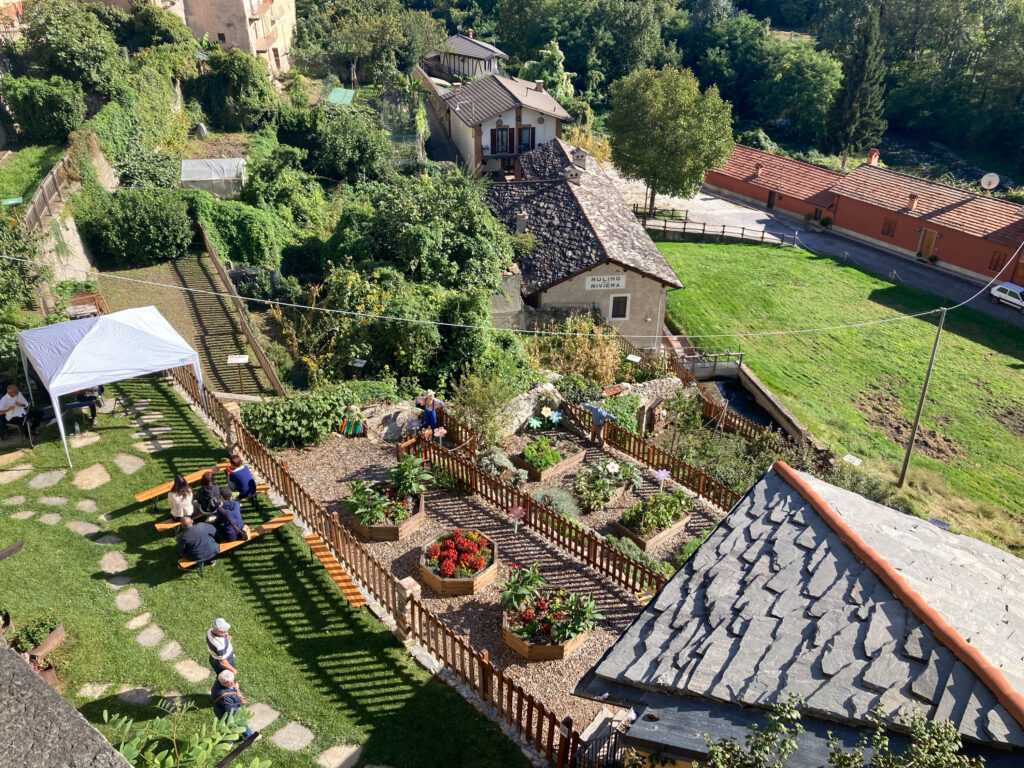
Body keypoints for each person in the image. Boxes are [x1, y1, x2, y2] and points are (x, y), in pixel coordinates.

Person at [210, 670, 252, 738]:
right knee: (240, 722)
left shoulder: (219, 681)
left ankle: (229, 740)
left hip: (219, 710)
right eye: (231, 683)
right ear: (224, 683)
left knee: (227, 728)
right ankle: (248, 736)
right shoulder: (225, 698)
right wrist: (240, 703)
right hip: (227, 714)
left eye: (234, 681)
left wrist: (233, 688)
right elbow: (232, 710)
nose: (233, 683)